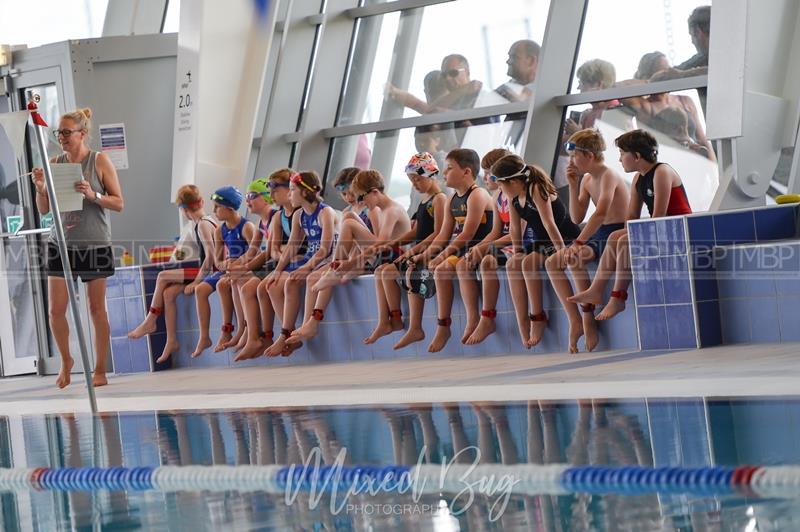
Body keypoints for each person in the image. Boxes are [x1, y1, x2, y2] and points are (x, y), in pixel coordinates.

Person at [32, 107, 124, 388]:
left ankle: (99, 369)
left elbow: (119, 202)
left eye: (66, 132)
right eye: (58, 132)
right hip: (60, 243)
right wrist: (40, 188)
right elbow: (45, 210)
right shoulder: (53, 163)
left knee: (96, 310)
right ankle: (66, 361)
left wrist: (93, 194)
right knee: (55, 311)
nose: (61, 137)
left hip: (93, 243)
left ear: (82, 134)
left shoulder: (99, 161)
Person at [569, 130, 691, 320]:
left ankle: (618, 298)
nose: (619, 159)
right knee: (616, 237)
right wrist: (625, 235)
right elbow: (632, 215)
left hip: (680, 230)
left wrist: (627, 237)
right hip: (663, 229)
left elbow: (659, 215)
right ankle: (596, 289)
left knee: (624, 240)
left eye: (622, 154)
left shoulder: (662, 172)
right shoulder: (638, 178)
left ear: (636, 156)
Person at [290, 170, 411, 344]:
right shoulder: (383, 209)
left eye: (362, 197)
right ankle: (334, 273)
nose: (360, 201)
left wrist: (351, 262)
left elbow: (382, 244)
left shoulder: (389, 210)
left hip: (394, 257)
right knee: (348, 217)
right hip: (383, 257)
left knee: (348, 222)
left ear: (374, 192)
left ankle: (334, 272)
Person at [545, 129, 629, 353]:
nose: (571, 161)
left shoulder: (609, 175)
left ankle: (587, 317)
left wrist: (579, 243)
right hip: (599, 234)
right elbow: (577, 217)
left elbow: (600, 213)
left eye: (573, 156)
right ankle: (576, 319)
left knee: (573, 257)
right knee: (552, 262)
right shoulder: (587, 180)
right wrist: (573, 184)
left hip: (617, 231)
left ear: (589, 155)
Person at [492, 155, 581, 348]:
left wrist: (562, 251)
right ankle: (524, 320)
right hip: (541, 241)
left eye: (500, 184)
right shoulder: (513, 195)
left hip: (562, 236)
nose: (499, 189)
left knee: (528, 263)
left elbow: (549, 222)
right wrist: (517, 251)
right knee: (514, 263)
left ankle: (541, 316)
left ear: (513, 181)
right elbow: (515, 228)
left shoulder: (536, 189)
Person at [411, 148, 493, 353]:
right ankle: (443, 326)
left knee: (450, 266)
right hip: (465, 250)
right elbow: (443, 235)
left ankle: (473, 318)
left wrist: (442, 255)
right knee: (440, 270)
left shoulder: (478, 195)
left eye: (449, 168)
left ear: (466, 172)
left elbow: (467, 234)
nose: (444, 173)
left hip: (484, 247)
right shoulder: (451, 200)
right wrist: (425, 254)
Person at [364, 153, 447, 348]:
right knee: (380, 271)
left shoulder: (440, 199)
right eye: (412, 180)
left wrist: (413, 252)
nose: (415, 184)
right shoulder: (425, 200)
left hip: (433, 251)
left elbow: (438, 233)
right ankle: (390, 319)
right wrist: (394, 244)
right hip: (420, 250)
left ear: (431, 174)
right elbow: (417, 231)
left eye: (418, 179)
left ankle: (412, 327)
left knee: (395, 272)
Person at [127, 184, 217, 363]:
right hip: (204, 269)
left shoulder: (203, 225)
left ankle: (150, 320)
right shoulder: (203, 222)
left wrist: (196, 281)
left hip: (211, 271)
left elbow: (211, 257)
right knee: (168, 293)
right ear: (201, 201)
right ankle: (171, 340)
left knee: (162, 276)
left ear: (183, 209)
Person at [264, 171, 339, 357]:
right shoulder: (299, 215)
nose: (289, 195)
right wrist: (278, 270)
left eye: (292, 190)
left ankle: (306, 325)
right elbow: (292, 246)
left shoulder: (325, 212)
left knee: (309, 279)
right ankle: (286, 333)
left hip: (329, 257)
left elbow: (325, 248)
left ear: (305, 193)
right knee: (285, 281)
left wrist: (306, 267)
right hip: (313, 258)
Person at [234, 169, 304, 361]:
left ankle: (281, 334)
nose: (271, 193)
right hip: (284, 262)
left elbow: (298, 247)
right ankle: (257, 334)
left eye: (274, 188)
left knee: (265, 286)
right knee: (247, 284)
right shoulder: (278, 217)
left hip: (299, 263)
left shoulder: (299, 213)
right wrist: (242, 267)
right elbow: (273, 250)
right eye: (269, 189)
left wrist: (281, 256)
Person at [191, 186, 254, 358]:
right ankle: (204, 337)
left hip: (245, 269)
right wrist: (225, 264)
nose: (214, 211)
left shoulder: (247, 227)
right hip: (229, 268)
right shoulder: (220, 230)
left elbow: (255, 253)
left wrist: (238, 263)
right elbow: (217, 260)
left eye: (217, 207)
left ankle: (232, 329)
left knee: (222, 284)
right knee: (200, 289)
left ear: (230, 207)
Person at [459, 148, 513, 345]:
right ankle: (472, 317)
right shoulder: (497, 196)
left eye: (489, 172)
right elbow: (495, 232)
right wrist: (477, 248)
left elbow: (516, 235)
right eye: (485, 171)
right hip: (505, 242)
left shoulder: (513, 195)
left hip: (522, 243)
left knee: (487, 262)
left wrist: (483, 249)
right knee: (463, 263)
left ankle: (487, 317)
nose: (485, 176)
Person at [224, 177, 279, 354]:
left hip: (281, 262)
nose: (247, 200)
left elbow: (268, 252)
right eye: (247, 195)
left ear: (267, 197)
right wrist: (236, 265)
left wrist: (244, 268)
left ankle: (254, 335)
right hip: (273, 261)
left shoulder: (274, 217)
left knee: (247, 288)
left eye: (252, 195)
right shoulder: (261, 222)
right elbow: (252, 251)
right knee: (235, 278)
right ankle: (245, 328)